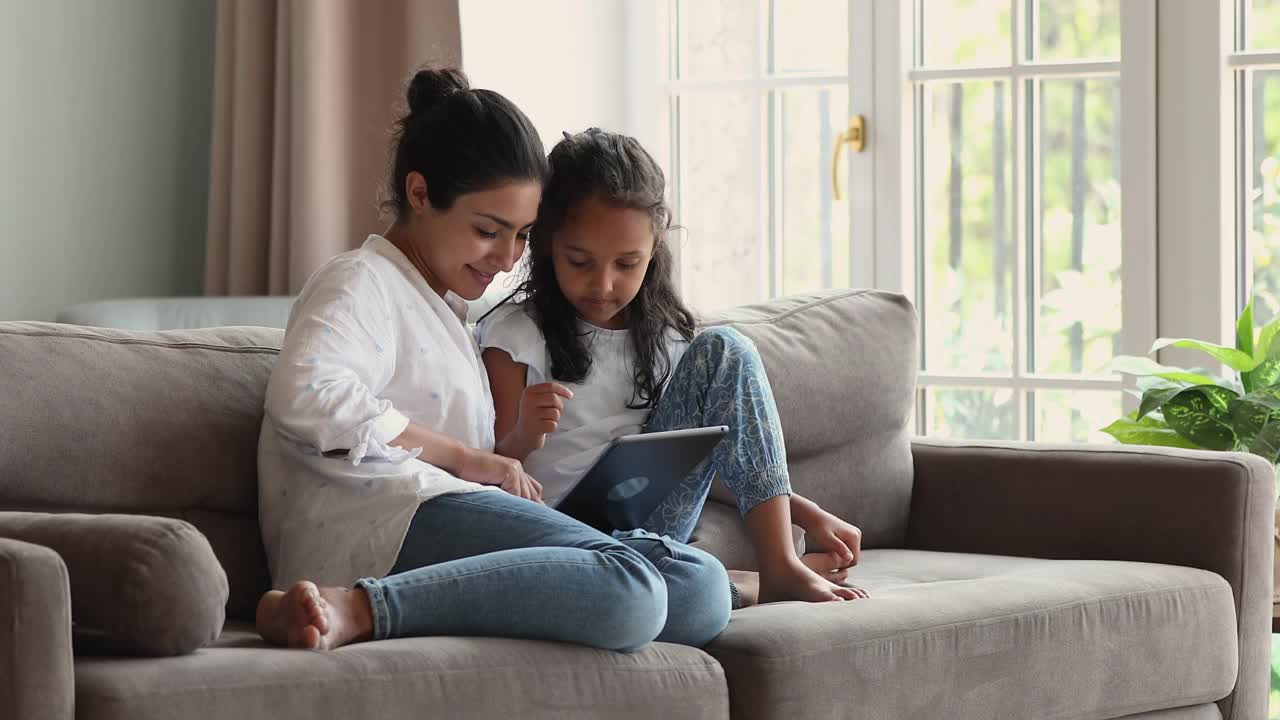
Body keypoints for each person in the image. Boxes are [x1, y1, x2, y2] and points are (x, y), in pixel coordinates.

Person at [254, 70, 730, 652]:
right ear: (420, 194)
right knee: (635, 591)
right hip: (387, 518)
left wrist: (502, 454)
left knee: (700, 587)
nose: (507, 260)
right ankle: (353, 607)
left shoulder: (451, 314)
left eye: (523, 236)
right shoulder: (360, 282)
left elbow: (483, 463)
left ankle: (437, 601)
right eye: (488, 230)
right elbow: (305, 395)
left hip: (453, 513)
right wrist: (467, 457)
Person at [477, 128, 869, 606]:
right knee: (673, 588)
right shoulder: (515, 336)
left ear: (655, 246)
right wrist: (522, 435)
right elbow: (486, 469)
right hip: (558, 538)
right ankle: (740, 584)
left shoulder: (668, 340)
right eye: (579, 261)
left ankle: (778, 566)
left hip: (651, 527)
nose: (603, 284)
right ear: (547, 244)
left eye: (627, 264)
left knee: (725, 346)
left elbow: (703, 457)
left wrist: (803, 515)